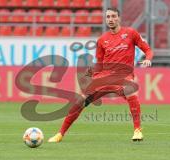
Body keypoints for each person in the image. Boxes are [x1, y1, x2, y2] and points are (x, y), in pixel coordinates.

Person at [48, 7, 153, 142]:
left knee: (130, 91)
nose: (110, 19)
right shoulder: (102, 40)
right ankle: (60, 134)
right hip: (104, 76)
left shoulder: (131, 33)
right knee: (80, 100)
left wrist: (148, 59)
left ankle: (137, 130)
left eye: (113, 16)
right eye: (108, 17)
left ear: (119, 18)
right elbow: (100, 63)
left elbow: (148, 49)